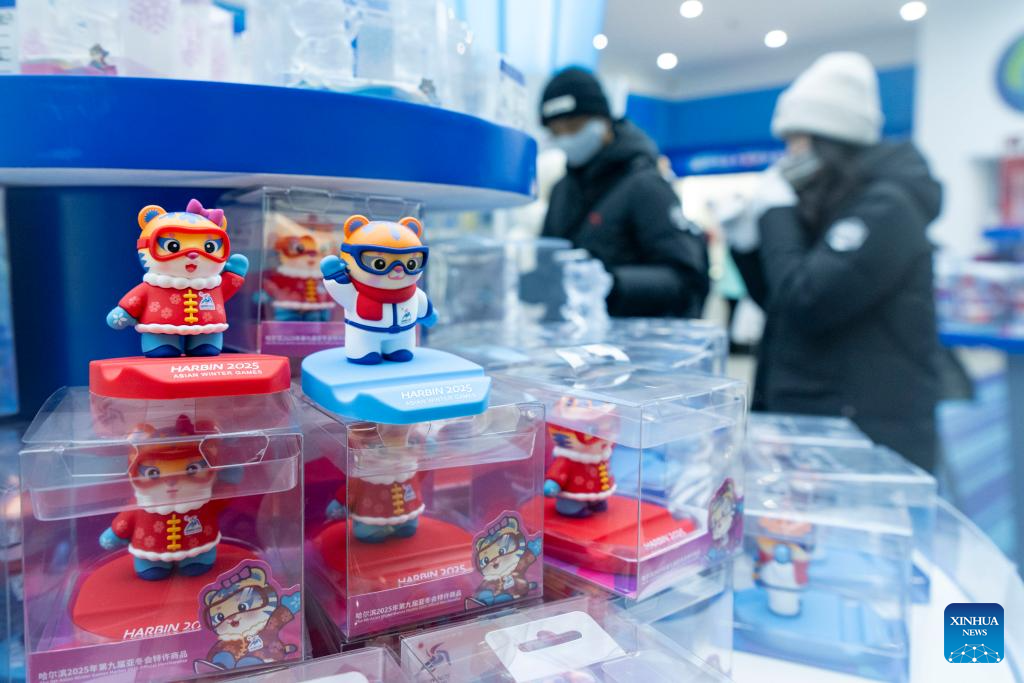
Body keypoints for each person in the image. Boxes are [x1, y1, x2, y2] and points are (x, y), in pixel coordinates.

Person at [724, 52, 943, 471]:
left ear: (829, 139)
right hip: (813, 418)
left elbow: (809, 300)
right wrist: (747, 246)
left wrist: (776, 216)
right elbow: (779, 303)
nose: (788, 154)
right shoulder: (826, 204)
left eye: (796, 140)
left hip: (863, 434)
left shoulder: (888, 207)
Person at [540, 67, 709, 318]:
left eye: (574, 126)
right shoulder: (560, 191)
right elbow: (548, 266)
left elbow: (686, 279)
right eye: (556, 132)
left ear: (603, 121)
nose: (565, 138)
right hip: (571, 331)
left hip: (634, 333)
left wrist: (612, 283)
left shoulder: (645, 185)